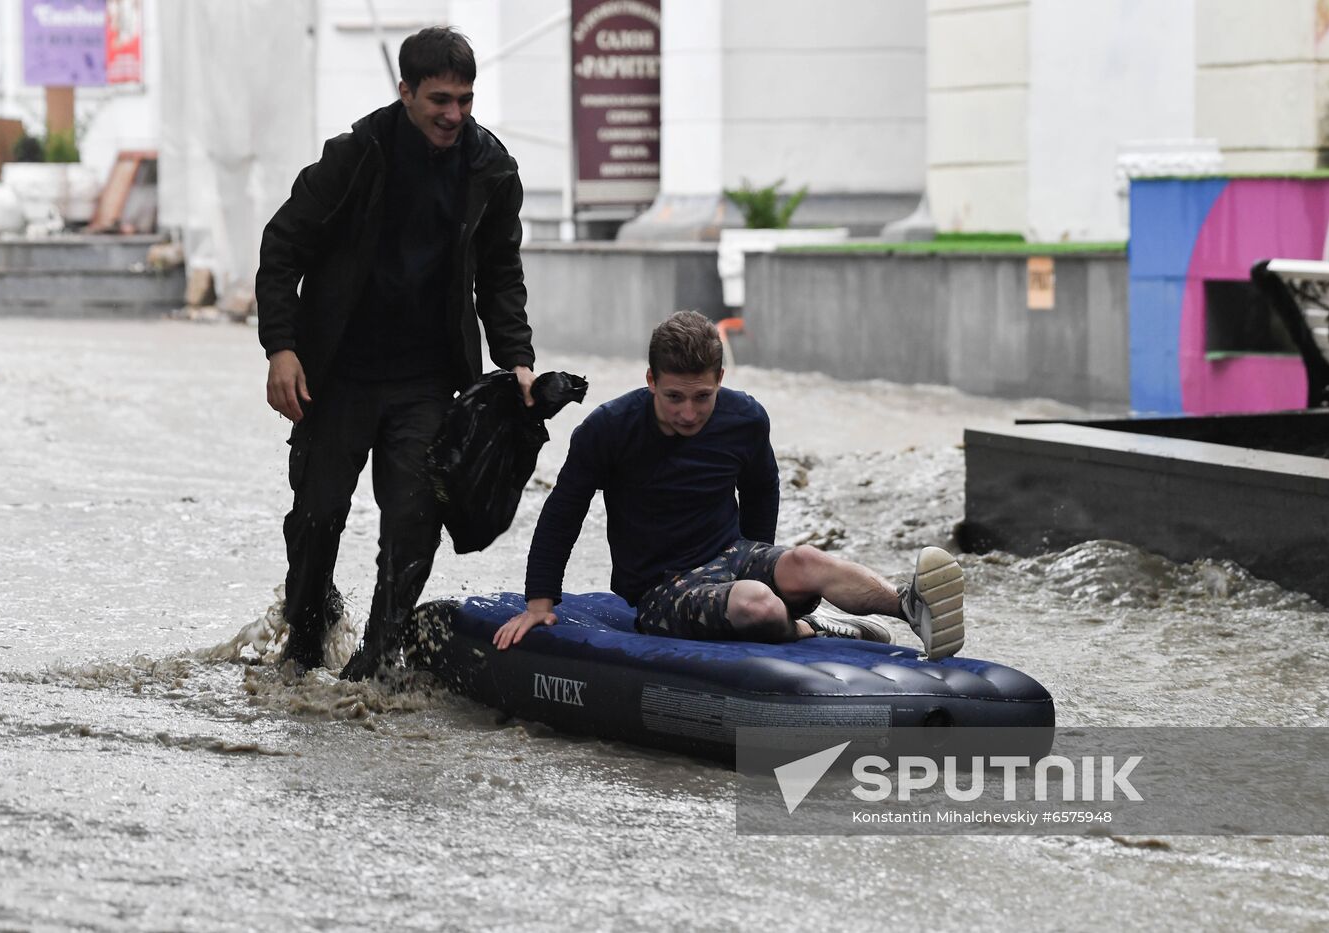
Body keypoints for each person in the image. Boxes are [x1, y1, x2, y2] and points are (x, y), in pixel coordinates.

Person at [256, 27, 536, 679]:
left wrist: (516, 358)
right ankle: (301, 647)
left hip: (429, 379)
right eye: (439, 99)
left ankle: (378, 658)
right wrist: (282, 348)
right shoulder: (355, 156)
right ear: (404, 91)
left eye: (465, 100)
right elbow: (281, 248)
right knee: (318, 515)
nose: (453, 115)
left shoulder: (491, 169)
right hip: (337, 376)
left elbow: (500, 275)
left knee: (414, 517)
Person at [492, 311, 966, 657]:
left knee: (807, 560)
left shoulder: (744, 417)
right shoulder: (607, 429)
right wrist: (539, 602)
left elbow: (762, 488)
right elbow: (563, 510)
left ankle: (911, 605)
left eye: (703, 397)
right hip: (662, 589)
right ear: (651, 380)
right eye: (674, 397)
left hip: (731, 555)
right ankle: (810, 630)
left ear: (720, 378)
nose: (689, 413)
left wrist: (769, 562)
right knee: (758, 604)